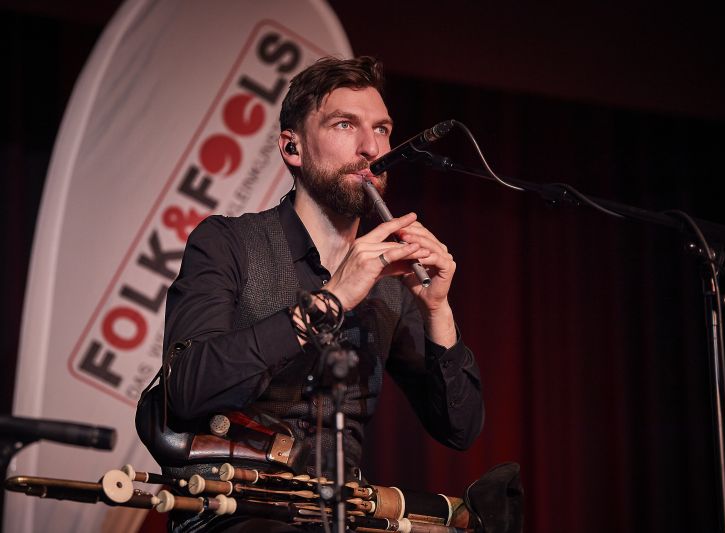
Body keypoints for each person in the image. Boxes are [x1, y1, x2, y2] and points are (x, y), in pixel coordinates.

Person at [160, 56, 484, 532]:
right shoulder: (227, 243)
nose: (370, 146)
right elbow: (185, 389)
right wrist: (329, 301)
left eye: (382, 129)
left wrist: (438, 310)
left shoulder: (389, 282)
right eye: (344, 124)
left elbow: (459, 429)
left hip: (337, 514)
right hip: (233, 510)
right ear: (293, 148)